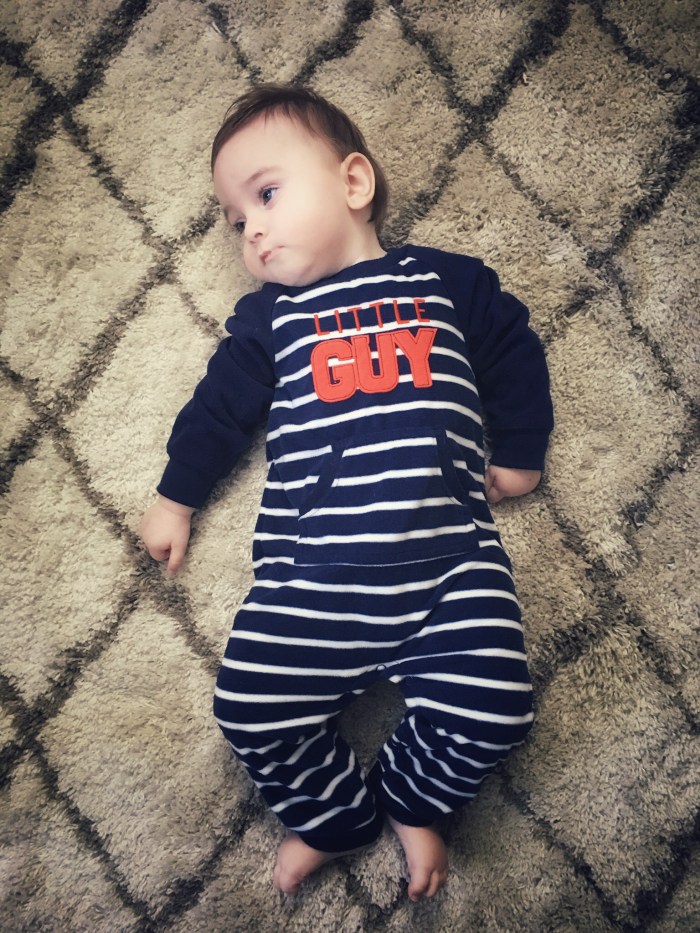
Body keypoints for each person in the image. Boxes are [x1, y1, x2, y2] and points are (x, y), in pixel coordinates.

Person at [141, 83, 553, 901]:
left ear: (354, 183)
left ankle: (411, 795)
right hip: (314, 575)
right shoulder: (271, 320)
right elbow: (219, 408)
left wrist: (518, 449)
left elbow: (512, 345)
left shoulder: (445, 282)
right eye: (236, 221)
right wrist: (176, 495)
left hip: (450, 565)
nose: (252, 230)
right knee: (248, 705)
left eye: (266, 195)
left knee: (500, 704)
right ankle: (333, 815)